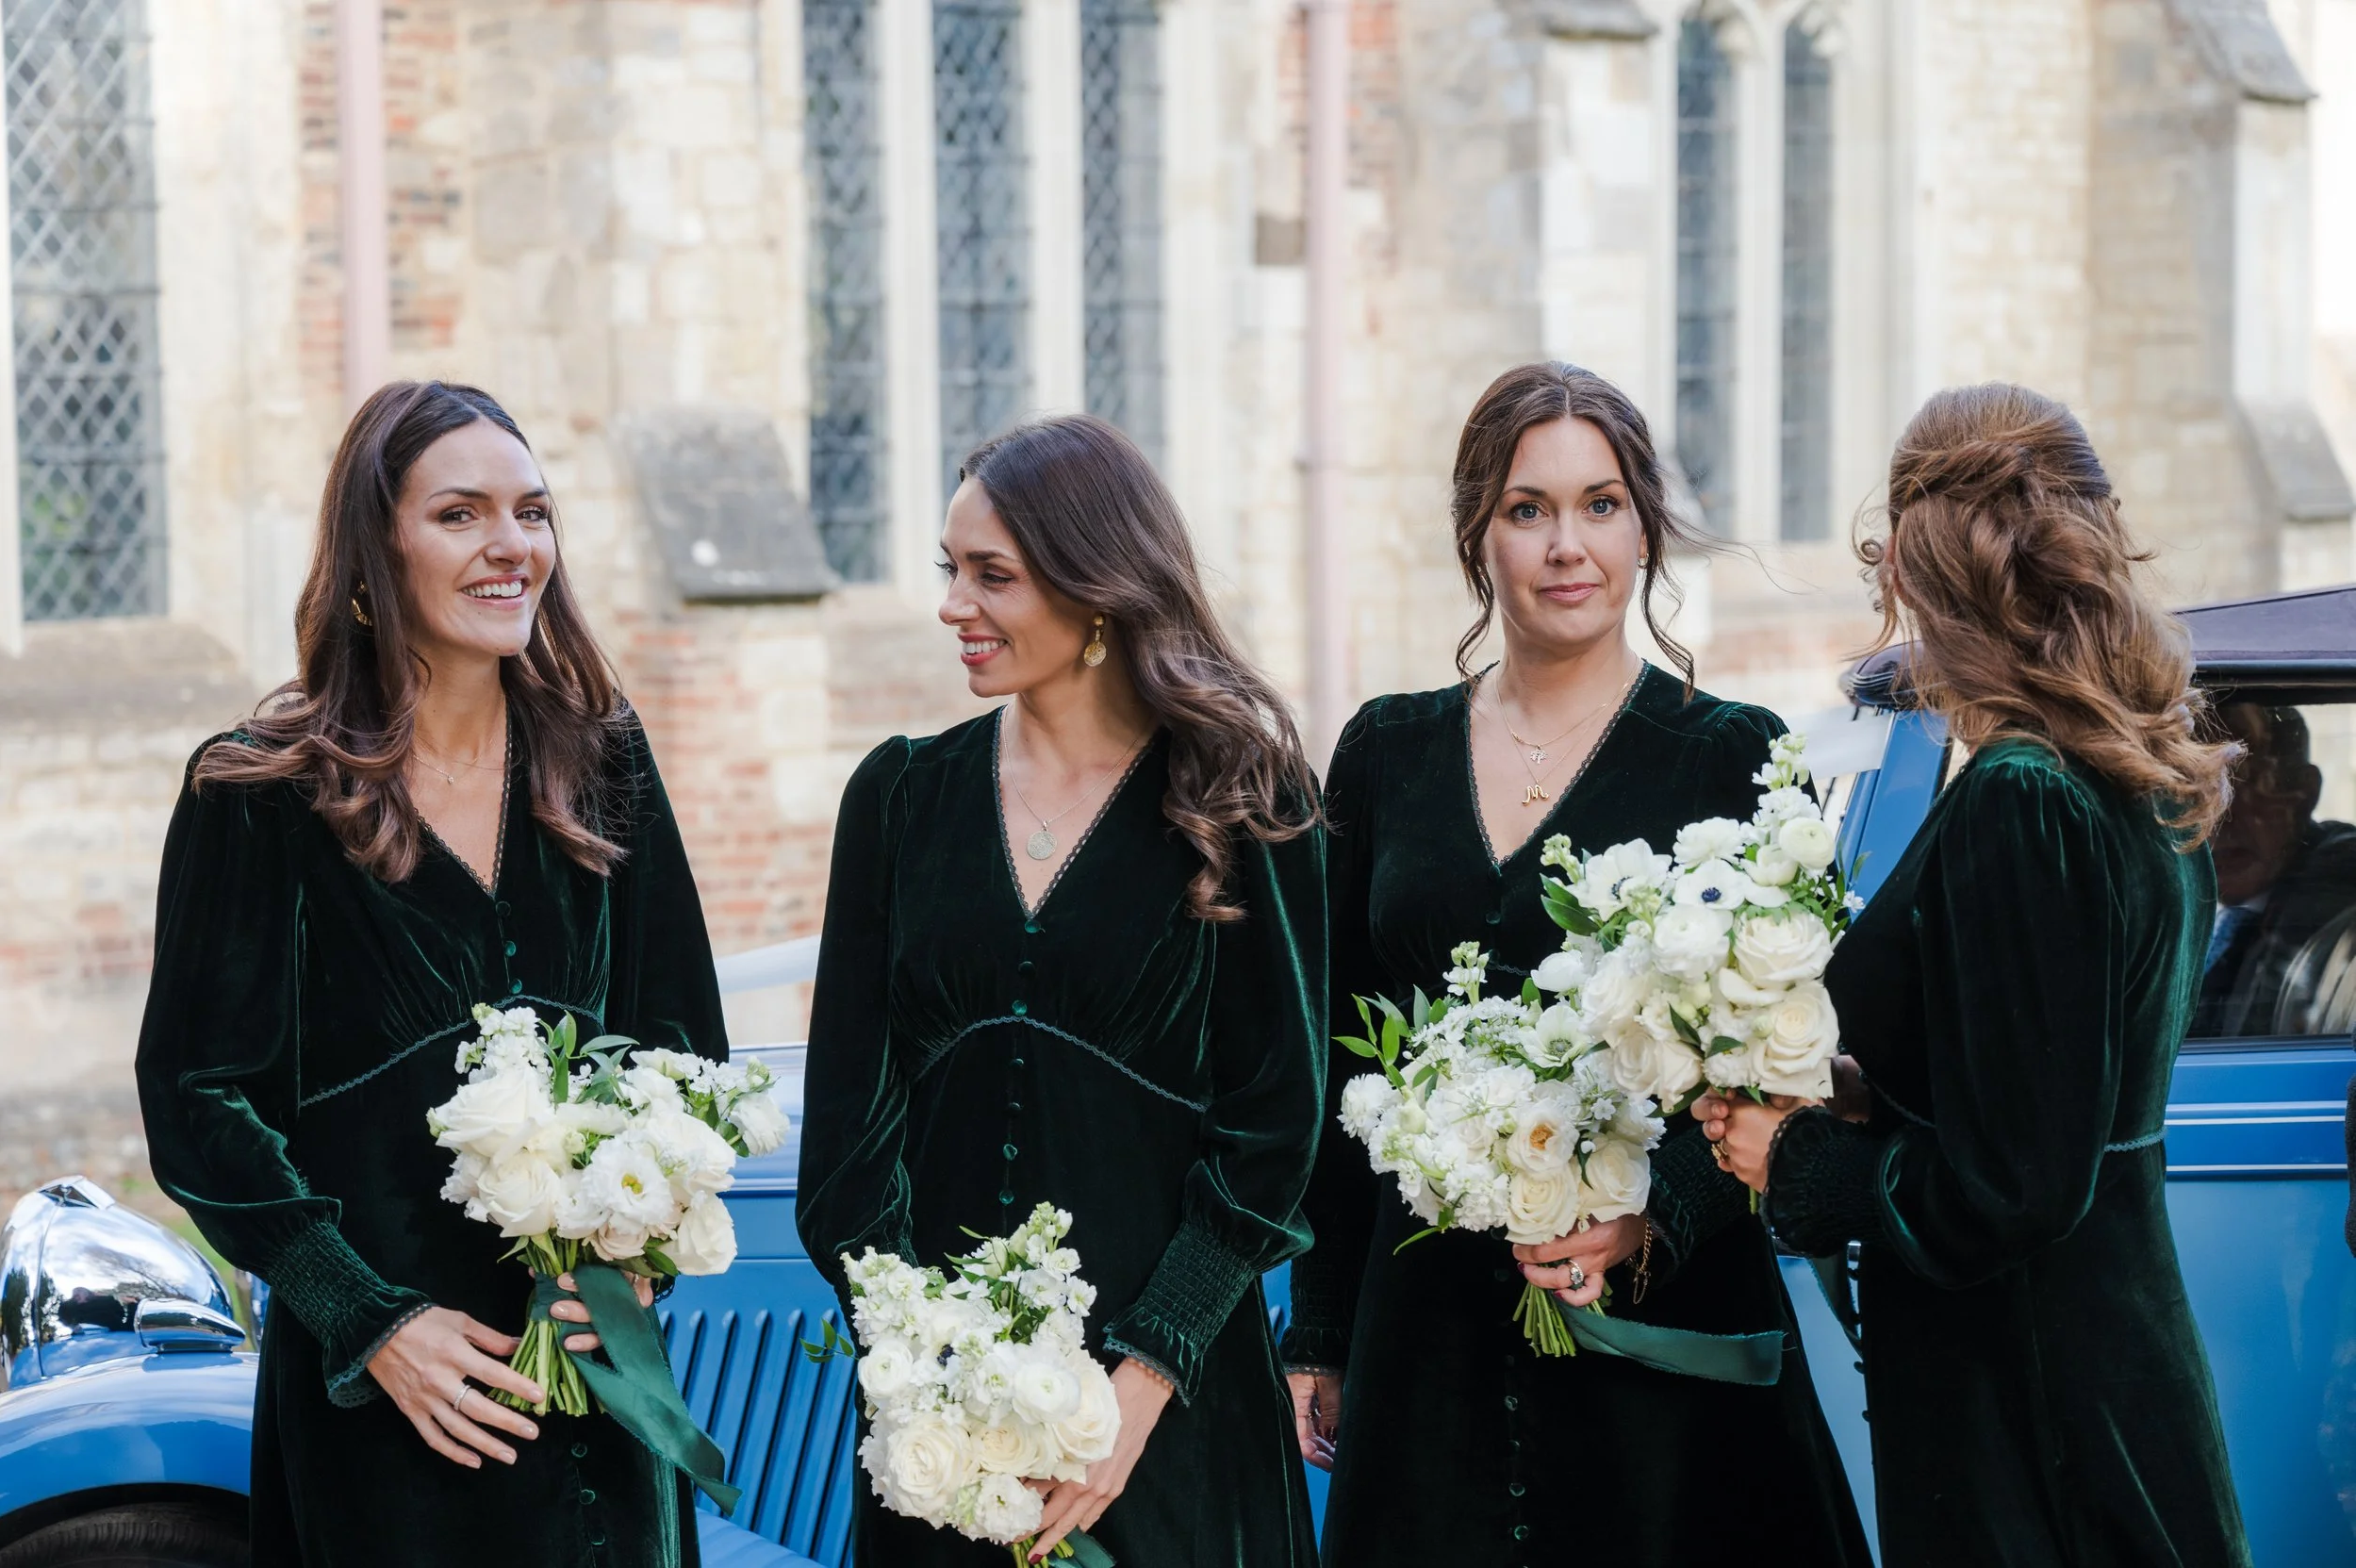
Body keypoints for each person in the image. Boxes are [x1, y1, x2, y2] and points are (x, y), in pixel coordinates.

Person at [1280, 362, 1870, 1566]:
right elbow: (1331, 1056)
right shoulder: (1386, 751)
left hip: (1663, 1336)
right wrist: (1319, 1331)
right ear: (1477, 535)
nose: (1567, 546)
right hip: (1427, 1329)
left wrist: (1651, 1216)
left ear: (1644, 524)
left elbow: (1793, 1068)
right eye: (1526, 509)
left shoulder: (1735, 759)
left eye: (1600, 504)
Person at [135, 381, 728, 1567]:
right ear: (374, 551)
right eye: (461, 514)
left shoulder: (603, 757)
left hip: (593, 1384)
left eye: (533, 512)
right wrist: (369, 1321)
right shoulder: (260, 794)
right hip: (391, 1410)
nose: (513, 547)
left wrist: (631, 1248)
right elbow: (196, 1098)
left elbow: (682, 1044)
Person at [1705, 382, 2252, 1567]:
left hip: (2029, 1390)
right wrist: (1866, 1089)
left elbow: (2012, 1186)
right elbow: (2044, 1082)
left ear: (1904, 560)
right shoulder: (2130, 767)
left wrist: (1796, 1156)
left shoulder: (2023, 794)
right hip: (2112, 1338)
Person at [797, 414, 1326, 1566]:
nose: (953, 605)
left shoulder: (1239, 795)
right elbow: (845, 1141)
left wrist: (1135, 1390)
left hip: (1170, 1413)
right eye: (951, 569)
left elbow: (1277, 1124)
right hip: (935, 1441)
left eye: (993, 574)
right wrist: (931, 1379)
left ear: (1096, 588)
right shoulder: (896, 800)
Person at [2192, 701, 2356, 1037]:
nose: (2219, 820)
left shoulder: (2335, 913)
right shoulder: (2162, 903)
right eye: (2195, 792)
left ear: (2305, 793)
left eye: (2245, 785)